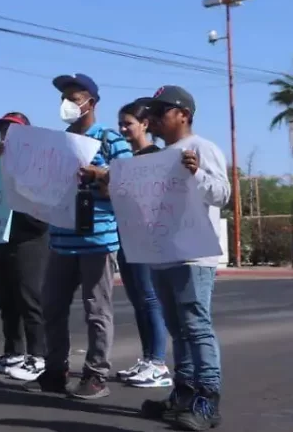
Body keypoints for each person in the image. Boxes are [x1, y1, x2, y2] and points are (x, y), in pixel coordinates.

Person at [28, 73, 131, 400]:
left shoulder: (111, 139)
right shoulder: (60, 141)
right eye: (64, 98)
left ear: (91, 103)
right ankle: (55, 368)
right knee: (52, 306)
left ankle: (96, 373)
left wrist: (101, 174)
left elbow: (132, 182)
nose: (67, 104)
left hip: (97, 241)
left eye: (74, 98)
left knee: (96, 310)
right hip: (61, 239)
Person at [137, 86, 230, 430]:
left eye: (162, 111)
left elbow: (223, 194)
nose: (155, 119)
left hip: (193, 255)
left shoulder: (202, 148)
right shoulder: (156, 157)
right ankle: (185, 394)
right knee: (178, 329)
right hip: (163, 254)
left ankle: (208, 399)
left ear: (183, 114)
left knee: (196, 326)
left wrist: (196, 174)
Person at [0, 113, 50, 382]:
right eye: (2, 132)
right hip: (1, 239)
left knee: (30, 299)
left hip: (30, 239)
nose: (5, 137)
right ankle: (14, 352)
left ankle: (38, 357)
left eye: (11, 132)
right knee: (6, 300)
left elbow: (41, 211)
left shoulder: (39, 166)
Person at [113, 101, 172, 388]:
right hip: (126, 236)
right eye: (121, 124)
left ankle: (159, 364)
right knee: (138, 300)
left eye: (129, 124)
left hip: (149, 239)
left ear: (145, 124)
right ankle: (147, 358)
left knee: (150, 299)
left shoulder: (155, 157)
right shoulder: (125, 160)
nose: (124, 129)